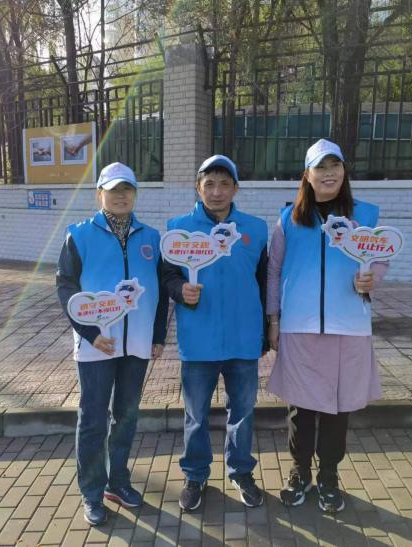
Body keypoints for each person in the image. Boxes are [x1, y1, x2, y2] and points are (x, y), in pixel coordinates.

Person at [266, 139, 388, 513]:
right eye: (320, 167)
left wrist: (372, 278)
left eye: (335, 165)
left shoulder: (365, 215)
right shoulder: (289, 219)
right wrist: (274, 318)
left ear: (344, 171)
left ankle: (329, 476)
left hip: (348, 326)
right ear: (308, 175)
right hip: (299, 326)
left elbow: (380, 257)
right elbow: (274, 270)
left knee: (338, 407)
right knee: (300, 408)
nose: (328, 173)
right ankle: (300, 471)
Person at [56, 162, 168, 526]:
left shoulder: (151, 237)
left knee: (126, 416)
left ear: (135, 194)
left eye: (127, 189)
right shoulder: (79, 235)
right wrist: (90, 333)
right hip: (97, 345)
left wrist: (157, 335)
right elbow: (66, 287)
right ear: (99, 195)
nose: (121, 196)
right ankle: (91, 491)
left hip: (137, 344)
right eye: (113, 189)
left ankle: (117, 482)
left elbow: (160, 291)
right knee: (92, 420)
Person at [162, 155, 269, 511]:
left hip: (243, 337)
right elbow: (167, 277)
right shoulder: (178, 228)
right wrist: (180, 291)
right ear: (198, 187)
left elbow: (264, 283)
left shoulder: (255, 229)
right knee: (196, 415)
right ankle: (195, 475)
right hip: (198, 340)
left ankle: (241, 472)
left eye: (225, 184)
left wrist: (267, 330)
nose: (217, 191)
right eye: (209, 184)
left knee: (243, 412)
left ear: (236, 188)